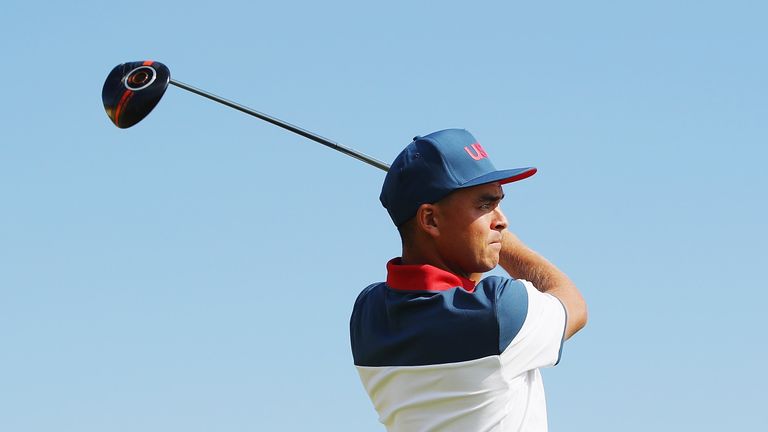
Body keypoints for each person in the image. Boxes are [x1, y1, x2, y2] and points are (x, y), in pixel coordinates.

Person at [350, 129, 588, 432]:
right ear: (431, 220)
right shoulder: (498, 312)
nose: (502, 220)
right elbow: (575, 306)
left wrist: (483, 235)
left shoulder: (367, 316)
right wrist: (506, 246)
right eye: (485, 205)